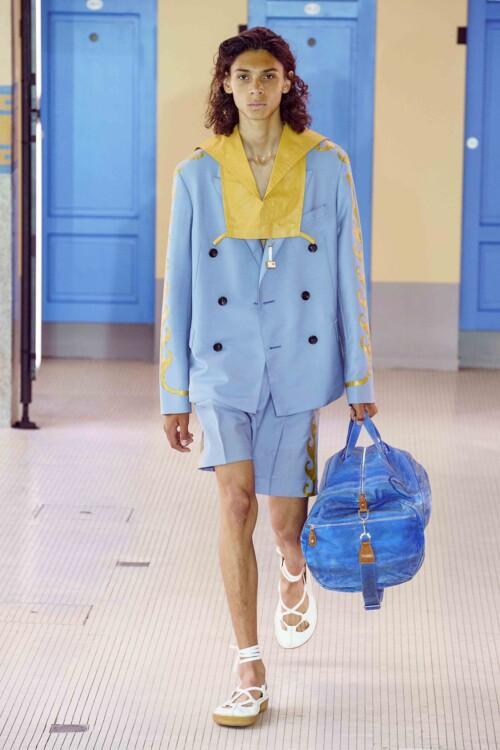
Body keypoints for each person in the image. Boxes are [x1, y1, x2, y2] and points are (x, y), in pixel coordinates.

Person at [159, 26, 378, 727]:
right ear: (225, 85)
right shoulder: (197, 174)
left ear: (288, 83)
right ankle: (248, 666)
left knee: (286, 524)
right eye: (243, 76)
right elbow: (179, 287)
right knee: (234, 506)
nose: (256, 88)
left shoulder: (326, 164)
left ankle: (292, 568)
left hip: (296, 366)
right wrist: (173, 393)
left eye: (268, 76)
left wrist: (360, 378)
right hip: (221, 367)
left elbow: (349, 273)